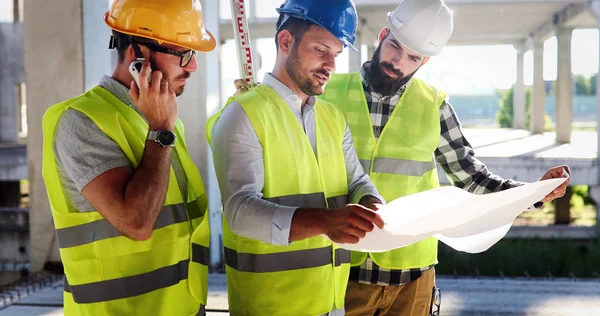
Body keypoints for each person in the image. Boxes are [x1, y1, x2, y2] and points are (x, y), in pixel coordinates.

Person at [319, 0, 571, 315]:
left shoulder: (434, 107)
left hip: (412, 281)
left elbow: (473, 179)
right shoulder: (326, 95)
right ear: (383, 35)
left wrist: (533, 192)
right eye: (394, 47)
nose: (398, 61)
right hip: (343, 272)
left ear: (422, 62)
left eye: (412, 57)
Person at [207, 0, 386, 315]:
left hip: (331, 303)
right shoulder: (244, 114)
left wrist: (371, 201)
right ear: (286, 41)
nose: (330, 65)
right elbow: (239, 211)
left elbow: (356, 180)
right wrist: (326, 222)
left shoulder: (332, 117)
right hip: (270, 307)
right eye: (321, 51)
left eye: (336, 54)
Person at [41, 0, 215, 315]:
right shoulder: (83, 121)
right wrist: (161, 130)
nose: (192, 67)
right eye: (183, 53)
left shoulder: (160, 121)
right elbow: (137, 223)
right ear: (137, 55)